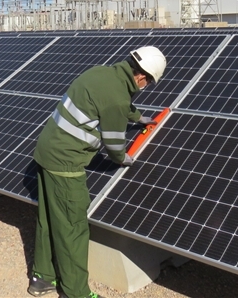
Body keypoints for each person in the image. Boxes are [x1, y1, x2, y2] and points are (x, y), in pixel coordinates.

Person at [28, 46, 167, 298]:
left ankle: (42, 277)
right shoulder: (117, 97)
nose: (146, 86)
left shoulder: (100, 73)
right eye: (149, 82)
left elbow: (112, 103)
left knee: (48, 218)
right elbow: (114, 143)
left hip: (46, 151)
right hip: (66, 165)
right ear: (142, 77)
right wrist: (124, 159)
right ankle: (76, 293)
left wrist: (137, 117)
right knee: (73, 227)